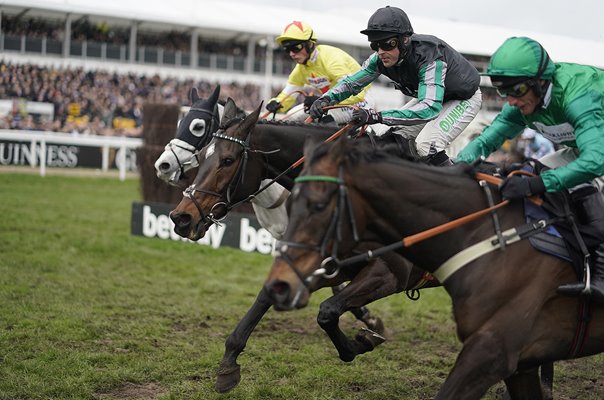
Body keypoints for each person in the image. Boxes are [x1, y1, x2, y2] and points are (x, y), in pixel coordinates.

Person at [456, 36, 604, 303]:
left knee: (560, 181)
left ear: (540, 82)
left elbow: (595, 161)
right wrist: (456, 168)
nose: (510, 100)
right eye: (504, 92)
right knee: (530, 171)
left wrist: (541, 184)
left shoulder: (577, 97)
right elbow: (487, 141)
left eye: (517, 91)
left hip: (597, 153)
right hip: (588, 149)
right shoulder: (522, 102)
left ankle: (602, 271)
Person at [308, 6, 482, 165]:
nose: (381, 51)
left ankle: (455, 191)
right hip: (434, 98)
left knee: (426, 146)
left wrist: (376, 116)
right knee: (391, 138)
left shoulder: (429, 57)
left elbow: (429, 108)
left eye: (387, 44)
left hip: (463, 98)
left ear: (405, 40)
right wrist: (326, 99)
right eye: (375, 45)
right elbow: (351, 83)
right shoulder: (378, 60)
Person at [265, 20, 374, 124]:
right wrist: (276, 103)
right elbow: (287, 94)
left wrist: (321, 100)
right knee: (291, 117)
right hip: (331, 102)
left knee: (323, 118)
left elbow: (357, 93)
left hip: (361, 101)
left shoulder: (331, 59)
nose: (291, 54)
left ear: (310, 44)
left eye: (296, 47)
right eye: (287, 49)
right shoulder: (301, 68)